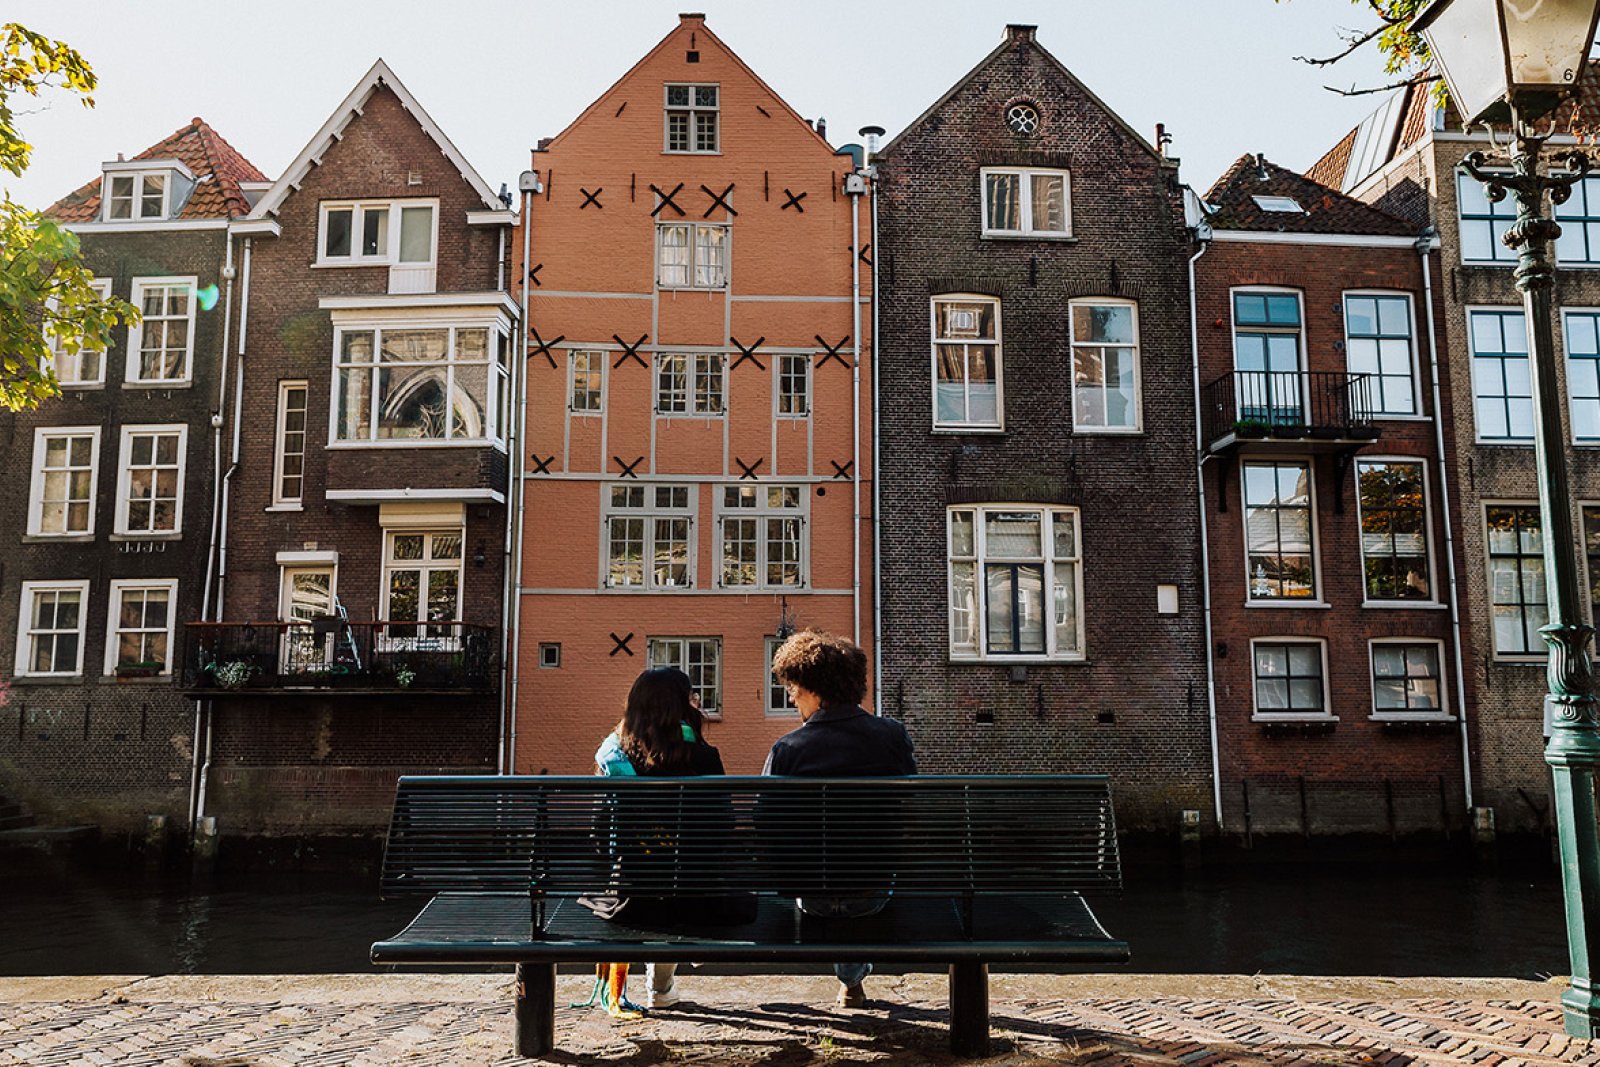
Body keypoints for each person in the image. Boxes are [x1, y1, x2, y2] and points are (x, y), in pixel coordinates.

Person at [763, 628, 917, 1008]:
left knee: (825, 875)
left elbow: (764, 818)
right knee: (858, 875)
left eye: (794, 688)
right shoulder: (892, 736)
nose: (792, 697)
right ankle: (851, 979)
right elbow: (911, 803)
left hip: (812, 896)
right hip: (873, 892)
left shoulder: (788, 749)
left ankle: (850, 979)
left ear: (813, 689)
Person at [584, 667, 724, 1013]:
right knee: (683, 886)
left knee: (651, 886)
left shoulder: (615, 757)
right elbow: (723, 828)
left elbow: (600, 836)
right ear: (681, 707)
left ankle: (650, 987)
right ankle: (660, 986)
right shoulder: (704, 756)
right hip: (696, 897)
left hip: (631, 896)